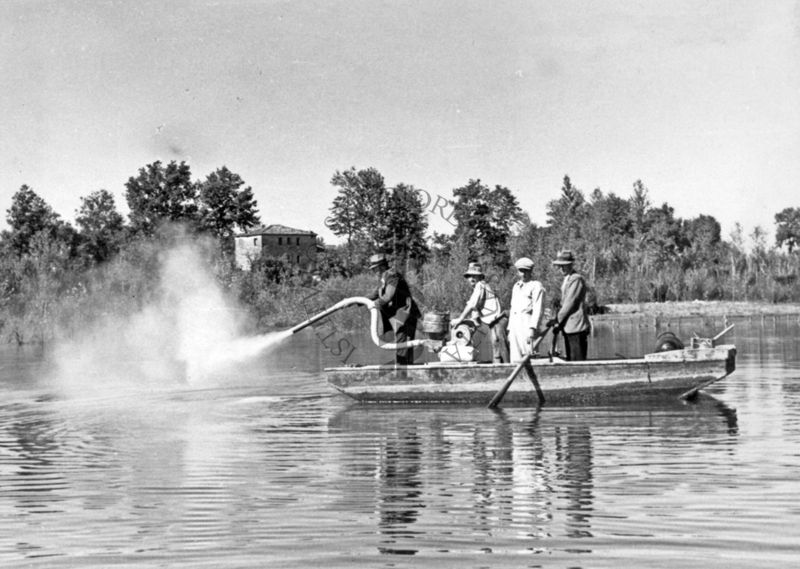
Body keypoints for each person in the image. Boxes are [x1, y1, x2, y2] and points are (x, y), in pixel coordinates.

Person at [366, 253, 421, 365]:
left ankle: (402, 370)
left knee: (403, 343)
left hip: (406, 314)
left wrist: (374, 304)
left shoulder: (392, 275)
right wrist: (357, 301)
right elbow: (376, 293)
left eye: (374, 269)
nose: (373, 271)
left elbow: (388, 296)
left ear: (381, 266)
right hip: (401, 316)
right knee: (404, 344)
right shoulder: (384, 277)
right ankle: (406, 368)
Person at [450, 262, 509, 363]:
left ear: (480, 277)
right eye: (469, 276)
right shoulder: (479, 288)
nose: (471, 279)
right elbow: (475, 313)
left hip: (500, 319)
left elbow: (472, 304)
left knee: (500, 343)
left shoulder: (480, 285)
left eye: (475, 276)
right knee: (495, 344)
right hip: (494, 321)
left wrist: (460, 319)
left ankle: (508, 368)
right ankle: (500, 367)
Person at [548, 250, 591, 361]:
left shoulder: (576, 279)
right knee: (572, 359)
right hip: (569, 327)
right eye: (560, 266)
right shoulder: (567, 279)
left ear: (571, 265)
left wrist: (558, 320)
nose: (562, 269)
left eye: (565, 266)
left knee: (577, 360)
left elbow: (569, 303)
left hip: (576, 327)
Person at [507, 257, 546, 362]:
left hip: (527, 324)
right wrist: (510, 329)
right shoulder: (516, 286)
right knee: (515, 357)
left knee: (529, 355)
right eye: (521, 271)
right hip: (515, 325)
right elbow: (513, 309)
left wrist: (532, 329)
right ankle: (518, 378)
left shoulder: (536, 286)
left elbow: (538, 309)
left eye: (526, 271)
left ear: (531, 271)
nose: (523, 274)